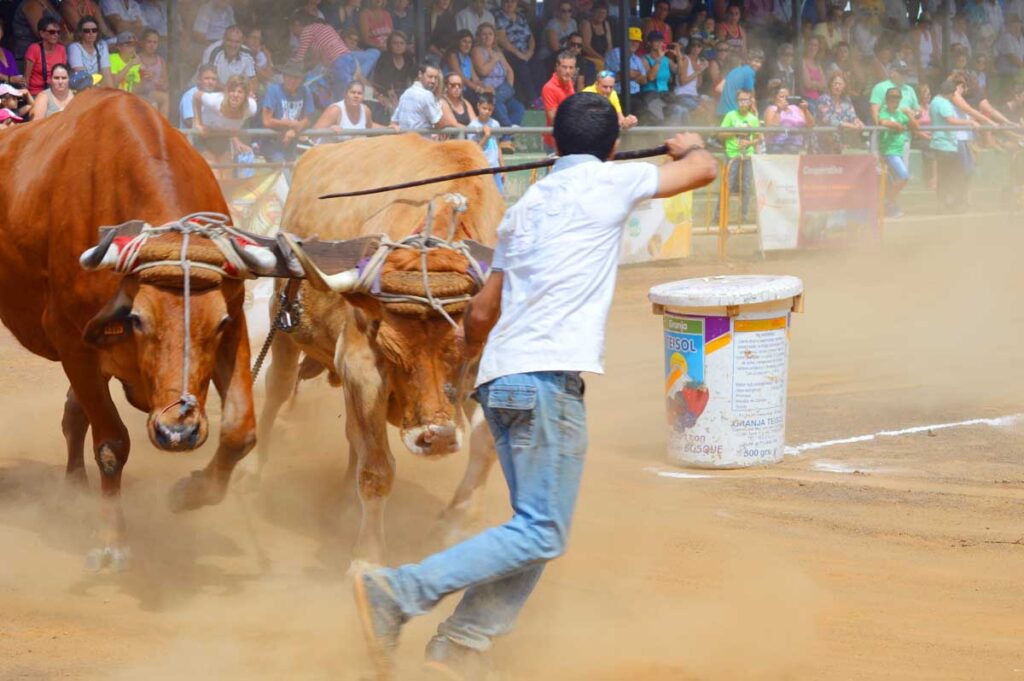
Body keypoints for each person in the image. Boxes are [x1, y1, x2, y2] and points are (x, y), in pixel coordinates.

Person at [350, 92, 718, 681]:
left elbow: (481, 312)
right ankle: (399, 592)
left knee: (534, 528)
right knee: (542, 528)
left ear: (551, 143)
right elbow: (703, 169)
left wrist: (480, 369)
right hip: (547, 381)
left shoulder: (530, 205)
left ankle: (463, 643)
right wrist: (688, 145)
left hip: (502, 382)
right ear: (614, 147)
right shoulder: (609, 183)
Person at [293, 15, 378, 100]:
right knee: (361, 82)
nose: (293, 33)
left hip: (339, 62)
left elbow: (299, 58)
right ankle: (377, 97)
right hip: (350, 57)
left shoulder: (306, 31)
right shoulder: (326, 27)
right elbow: (322, 53)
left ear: (297, 24)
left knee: (343, 97)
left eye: (292, 28)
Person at [192, 74, 258, 179]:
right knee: (215, 177)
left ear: (246, 95)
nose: (235, 95)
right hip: (204, 137)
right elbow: (196, 96)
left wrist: (236, 140)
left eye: (240, 92)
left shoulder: (251, 108)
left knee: (227, 177)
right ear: (227, 92)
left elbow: (232, 126)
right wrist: (198, 123)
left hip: (223, 138)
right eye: (232, 91)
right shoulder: (215, 101)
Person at [712, 88, 760, 224]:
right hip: (732, 155)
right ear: (737, 102)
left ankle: (743, 217)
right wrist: (736, 131)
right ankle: (718, 216)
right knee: (727, 185)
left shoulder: (753, 119)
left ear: (750, 101)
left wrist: (750, 142)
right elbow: (721, 134)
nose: (743, 103)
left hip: (747, 156)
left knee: (746, 186)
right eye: (740, 100)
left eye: (746, 100)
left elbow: (759, 138)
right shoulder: (730, 115)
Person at [929, 79, 978, 212]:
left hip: (940, 143)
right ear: (950, 93)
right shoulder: (944, 103)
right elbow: (951, 120)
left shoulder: (934, 101)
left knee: (944, 176)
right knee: (957, 175)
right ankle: (954, 203)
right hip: (947, 145)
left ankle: (943, 204)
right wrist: (969, 123)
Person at [472, 22, 523, 135]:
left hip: (503, 88)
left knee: (518, 107)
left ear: (494, 36)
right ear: (479, 36)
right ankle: (508, 134)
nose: (487, 36)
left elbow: (510, 71)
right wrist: (494, 60)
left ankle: (507, 134)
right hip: (488, 90)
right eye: (484, 34)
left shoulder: (497, 52)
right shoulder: (477, 50)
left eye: (490, 34)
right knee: (497, 103)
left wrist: (508, 88)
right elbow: (483, 71)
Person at [261, 60, 314, 162]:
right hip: (272, 142)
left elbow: (308, 118)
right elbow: (266, 121)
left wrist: (294, 129)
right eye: (289, 76)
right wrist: (290, 125)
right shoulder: (273, 90)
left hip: (292, 142)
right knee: (280, 164)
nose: (292, 81)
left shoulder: (305, 91)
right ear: (284, 76)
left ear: (301, 79)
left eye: (296, 77)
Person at [877, 86, 917, 217]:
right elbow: (882, 121)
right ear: (887, 99)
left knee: (894, 180)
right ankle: (887, 201)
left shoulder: (900, 113)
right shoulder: (884, 111)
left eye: (897, 98)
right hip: (889, 151)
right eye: (892, 98)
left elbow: (916, 127)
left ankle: (889, 204)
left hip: (898, 151)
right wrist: (896, 125)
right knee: (904, 176)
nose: (895, 100)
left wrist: (909, 115)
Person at [390, 56, 459, 130]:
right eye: (430, 77)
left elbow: (394, 121)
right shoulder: (427, 95)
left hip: (406, 139)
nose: (433, 81)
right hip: (421, 140)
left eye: (435, 78)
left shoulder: (406, 93)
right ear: (420, 74)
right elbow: (439, 123)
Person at [495, 0, 536, 106]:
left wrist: (530, 52)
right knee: (522, 65)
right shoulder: (498, 16)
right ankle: (532, 100)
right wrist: (520, 55)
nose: (509, 4)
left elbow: (530, 37)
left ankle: (538, 98)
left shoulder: (521, 17)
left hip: (525, 52)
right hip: (509, 52)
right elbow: (502, 41)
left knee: (538, 66)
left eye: (512, 1)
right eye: (506, 2)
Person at [314, 79, 382, 139]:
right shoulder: (335, 110)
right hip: (330, 151)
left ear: (363, 97)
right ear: (346, 94)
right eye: (353, 92)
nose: (356, 96)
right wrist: (328, 130)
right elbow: (313, 134)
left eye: (359, 93)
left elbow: (370, 126)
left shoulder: (365, 110)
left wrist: (389, 129)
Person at [639, 31, 681, 124]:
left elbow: (678, 72)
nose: (659, 44)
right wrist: (659, 59)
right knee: (659, 117)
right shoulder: (644, 59)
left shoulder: (667, 60)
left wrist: (678, 56)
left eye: (661, 41)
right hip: (650, 93)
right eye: (656, 41)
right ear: (649, 43)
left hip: (665, 94)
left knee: (678, 110)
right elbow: (651, 77)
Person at [816, 73, 864, 152]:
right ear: (830, 85)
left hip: (838, 144)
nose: (837, 87)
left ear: (844, 86)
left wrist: (858, 122)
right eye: (835, 83)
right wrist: (847, 125)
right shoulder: (823, 99)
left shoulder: (846, 100)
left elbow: (852, 116)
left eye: (840, 84)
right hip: (821, 144)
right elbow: (827, 119)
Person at [467, 91, 504, 194]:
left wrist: (502, 167)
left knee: (499, 196)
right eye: (484, 108)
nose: (487, 111)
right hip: (481, 167)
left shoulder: (495, 124)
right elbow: (474, 150)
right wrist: (486, 136)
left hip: (495, 167)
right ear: (478, 106)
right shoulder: (472, 126)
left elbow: (497, 146)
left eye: (490, 109)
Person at [374, 30, 418, 115]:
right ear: (390, 45)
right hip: (385, 93)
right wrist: (388, 94)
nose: (399, 46)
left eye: (402, 43)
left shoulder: (408, 58)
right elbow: (381, 82)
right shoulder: (384, 58)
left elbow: (412, 80)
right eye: (395, 43)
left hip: (403, 93)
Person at [24, 16, 68, 97]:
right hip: (36, 93)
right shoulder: (34, 49)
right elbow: (26, 78)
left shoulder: (61, 49)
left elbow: (63, 75)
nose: (56, 35)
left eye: (58, 32)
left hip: (56, 92)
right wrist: (27, 98)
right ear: (42, 34)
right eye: (52, 32)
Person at [541, 50, 576, 152]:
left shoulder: (569, 83)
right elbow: (554, 119)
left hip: (569, 140)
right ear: (557, 67)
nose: (568, 71)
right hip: (554, 143)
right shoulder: (549, 88)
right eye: (564, 67)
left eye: (571, 67)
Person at [205, 25, 257, 93]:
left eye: (237, 42)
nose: (233, 45)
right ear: (224, 39)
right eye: (230, 40)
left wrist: (249, 93)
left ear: (242, 42)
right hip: (210, 91)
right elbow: (209, 81)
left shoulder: (247, 54)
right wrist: (232, 92)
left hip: (233, 94)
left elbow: (252, 80)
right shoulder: (213, 52)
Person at [764, 86, 815, 153]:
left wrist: (805, 110)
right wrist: (779, 111)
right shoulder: (772, 109)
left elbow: (811, 125)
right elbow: (771, 130)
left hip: (797, 145)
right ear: (775, 98)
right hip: (777, 145)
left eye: (787, 96)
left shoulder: (795, 108)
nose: (785, 99)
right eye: (782, 96)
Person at [68, 16, 112, 89]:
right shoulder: (74, 47)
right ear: (80, 33)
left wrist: (111, 94)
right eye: (87, 31)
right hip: (80, 88)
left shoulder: (102, 45)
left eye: (94, 30)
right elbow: (81, 76)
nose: (91, 33)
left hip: (97, 87)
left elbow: (107, 74)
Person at [716, 47, 763, 117]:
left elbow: (719, 88)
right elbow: (750, 96)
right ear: (748, 61)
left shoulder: (734, 71)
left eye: (760, 62)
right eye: (756, 61)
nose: (758, 64)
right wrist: (755, 114)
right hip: (734, 114)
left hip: (721, 112)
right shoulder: (749, 71)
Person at [446, 30, 488, 103]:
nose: (467, 45)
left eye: (469, 42)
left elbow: (475, 79)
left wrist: (485, 87)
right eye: (464, 41)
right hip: (454, 90)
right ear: (458, 42)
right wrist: (478, 89)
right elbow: (461, 77)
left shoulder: (468, 58)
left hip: (466, 90)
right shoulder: (452, 55)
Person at [604, 26, 646, 98]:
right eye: (632, 40)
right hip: (618, 94)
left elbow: (644, 80)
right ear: (625, 40)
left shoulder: (636, 58)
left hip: (635, 95)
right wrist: (638, 73)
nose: (635, 44)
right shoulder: (615, 53)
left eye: (637, 41)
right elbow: (626, 73)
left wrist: (632, 74)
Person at [136, 28, 168, 115]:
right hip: (138, 92)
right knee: (153, 103)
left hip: (153, 92)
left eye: (155, 42)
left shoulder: (160, 61)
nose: (152, 45)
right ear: (142, 43)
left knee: (165, 97)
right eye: (149, 42)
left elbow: (165, 83)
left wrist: (162, 84)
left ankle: (163, 126)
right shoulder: (136, 59)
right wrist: (143, 78)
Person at [180, 63, 219, 128]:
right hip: (190, 137)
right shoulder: (189, 96)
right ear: (199, 79)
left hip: (210, 136)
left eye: (213, 79)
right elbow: (190, 122)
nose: (210, 82)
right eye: (207, 78)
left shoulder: (215, 97)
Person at [800, 35, 826, 102]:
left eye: (815, 45)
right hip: (806, 99)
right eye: (810, 44)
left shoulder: (817, 64)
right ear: (806, 46)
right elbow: (807, 84)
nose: (813, 47)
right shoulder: (802, 62)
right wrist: (818, 84)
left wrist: (813, 82)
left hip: (818, 99)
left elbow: (823, 85)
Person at [0, 23, 25, 88]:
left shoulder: (8, 53)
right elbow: (11, 79)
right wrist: (9, 79)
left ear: (2, 32)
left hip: (12, 94)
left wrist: (20, 81)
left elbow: (16, 74)